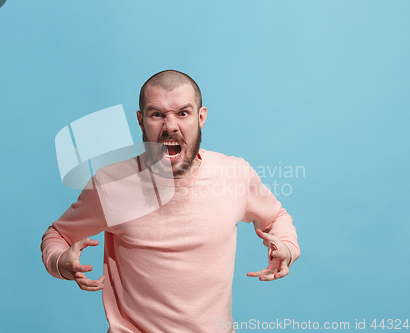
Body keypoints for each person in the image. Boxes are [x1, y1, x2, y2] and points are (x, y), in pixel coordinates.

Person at [41, 70, 300, 332]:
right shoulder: (110, 184)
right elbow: (57, 234)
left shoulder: (235, 175)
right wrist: (59, 262)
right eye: (157, 115)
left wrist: (287, 248)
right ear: (141, 121)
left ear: (201, 118)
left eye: (183, 113)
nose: (170, 126)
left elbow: (277, 217)